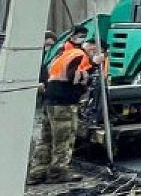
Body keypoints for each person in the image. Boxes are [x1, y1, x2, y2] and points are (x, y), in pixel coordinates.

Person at [27, 25, 95, 185]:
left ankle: (37, 172)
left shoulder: (61, 52)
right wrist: (87, 76)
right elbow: (74, 77)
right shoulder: (79, 54)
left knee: (46, 138)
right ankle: (57, 173)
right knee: (63, 139)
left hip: (50, 100)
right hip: (65, 102)